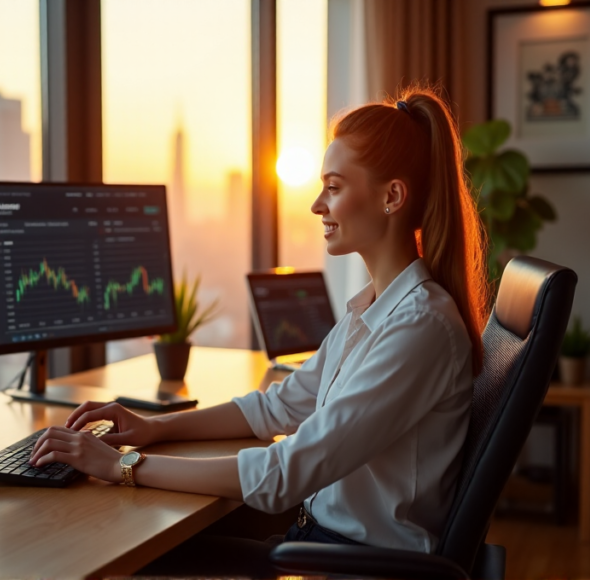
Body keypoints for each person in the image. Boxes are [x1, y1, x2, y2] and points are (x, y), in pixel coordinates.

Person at [30, 85, 488, 575]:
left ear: (391, 196)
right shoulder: (374, 309)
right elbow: (279, 406)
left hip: (354, 565)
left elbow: (287, 473)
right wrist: (155, 428)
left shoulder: (420, 327)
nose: (317, 205)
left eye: (334, 187)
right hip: (322, 542)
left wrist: (120, 466)